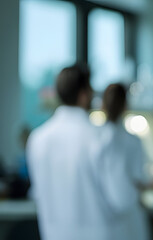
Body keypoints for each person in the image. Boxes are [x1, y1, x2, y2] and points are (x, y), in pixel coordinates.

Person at [26, 63, 108, 240]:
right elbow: (117, 197)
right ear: (84, 95)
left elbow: (38, 193)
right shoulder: (98, 137)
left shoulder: (38, 139)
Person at [97, 83, 151, 240]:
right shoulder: (132, 141)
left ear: (102, 104)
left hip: (104, 211)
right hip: (129, 210)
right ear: (126, 105)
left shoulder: (95, 139)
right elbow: (139, 178)